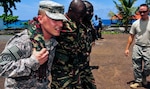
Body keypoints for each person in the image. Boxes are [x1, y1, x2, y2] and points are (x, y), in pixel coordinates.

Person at [0, 0, 67, 89]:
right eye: (55, 20)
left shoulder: (52, 41)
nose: (60, 24)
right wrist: (33, 61)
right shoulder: (23, 41)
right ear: (40, 19)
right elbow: (2, 67)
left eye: (61, 20)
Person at [50, 0, 97, 88]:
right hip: (62, 69)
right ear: (72, 11)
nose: (81, 16)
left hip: (78, 66)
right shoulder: (61, 23)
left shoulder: (81, 23)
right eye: (80, 14)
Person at [125, 4, 150, 89]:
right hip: (138, 47)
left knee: (148, 66)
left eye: (144, 12)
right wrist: (127, 48)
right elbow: (131, 36)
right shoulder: (135, 23)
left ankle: (143, 77)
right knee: (136, 66)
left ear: (148, 11)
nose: (142, 13)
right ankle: (138, 81)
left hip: (148, 47)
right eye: (140, 12)